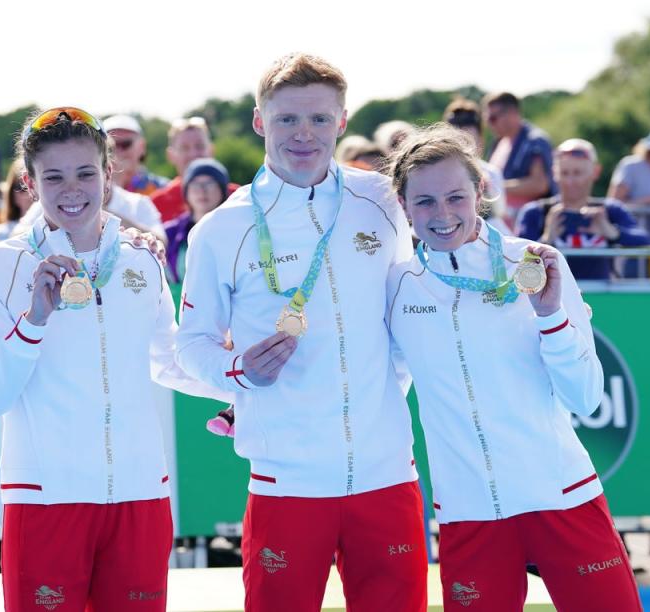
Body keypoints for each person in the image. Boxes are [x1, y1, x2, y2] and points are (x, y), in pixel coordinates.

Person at [176, 53, 426, 612]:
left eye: (318, 119)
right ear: (260, 121)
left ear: (342, 120)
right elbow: (190, 344)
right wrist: (237, 372)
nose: (304, 134)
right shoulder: (221, 229)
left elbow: (406, 311)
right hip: (285, 480)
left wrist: (385, 398)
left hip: (385, 472)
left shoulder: (383, 201)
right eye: (287, 119)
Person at [0, 107, 230, 611]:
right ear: (28, 181)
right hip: (46, 497)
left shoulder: (139, 259)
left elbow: (168, 361)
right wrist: (35, 320)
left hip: (140, 494)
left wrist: (241, 384)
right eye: (54, 176)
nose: (72, 189)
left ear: (109, 174)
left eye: (86, 172)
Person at [386, 124, 643, 612]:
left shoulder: (536, 262)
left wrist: (550, 316)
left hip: (561, 495)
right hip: (469, 512)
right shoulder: (397, 286)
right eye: (424, 202)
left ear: (480, 191)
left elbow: (586, 397)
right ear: (402, 205)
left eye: (455, 197)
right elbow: (375, 385)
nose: (442, 216)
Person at [517, 139, 650, 280]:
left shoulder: (609, 210)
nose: (570, 181)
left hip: (601, 297)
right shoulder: (537, 212)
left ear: (595, 172)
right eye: (564, 173)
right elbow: (516, 258)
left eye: (577, 173)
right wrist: (546, 239)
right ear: (554, 174)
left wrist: (612, 232)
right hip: (553, 298)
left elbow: (645, 241)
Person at [484, 91, 557, 222]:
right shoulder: (498, 142)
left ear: (512, 113)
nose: (489, 124)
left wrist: (492, 186)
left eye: (492, 118)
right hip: (503, 223)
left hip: (531, 224)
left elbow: (540, 184)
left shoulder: (535, 141)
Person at [443, 98, 510, 234]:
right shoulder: (434, 173)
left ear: (480, 139)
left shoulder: (491, 172)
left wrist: (486, 191)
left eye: (467, 140)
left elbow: (499, 213)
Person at [150, 117, 232, 223]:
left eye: (200, 146)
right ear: (170, 155)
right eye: (184, 148)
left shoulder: (236, 197)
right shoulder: (155, 205)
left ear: (211, 150)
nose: (193, 154)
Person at [163, 157, 230, 283]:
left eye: (210, 183)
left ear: (222, 190)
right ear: (186, 191)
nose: (202, 190)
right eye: (195, 183)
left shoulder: (237, 230)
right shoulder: (169, 233)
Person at [103, 114, 168, 195]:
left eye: (125, 144)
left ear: (142, 147)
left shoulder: (162, 189)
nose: (117, 152)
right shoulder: (92, 189)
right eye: (109, 146)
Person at [0, 160, 34, 242]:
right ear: (12, 194)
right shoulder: (1, 234)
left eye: (34, 186)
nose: (29, 193)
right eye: (23, 187)